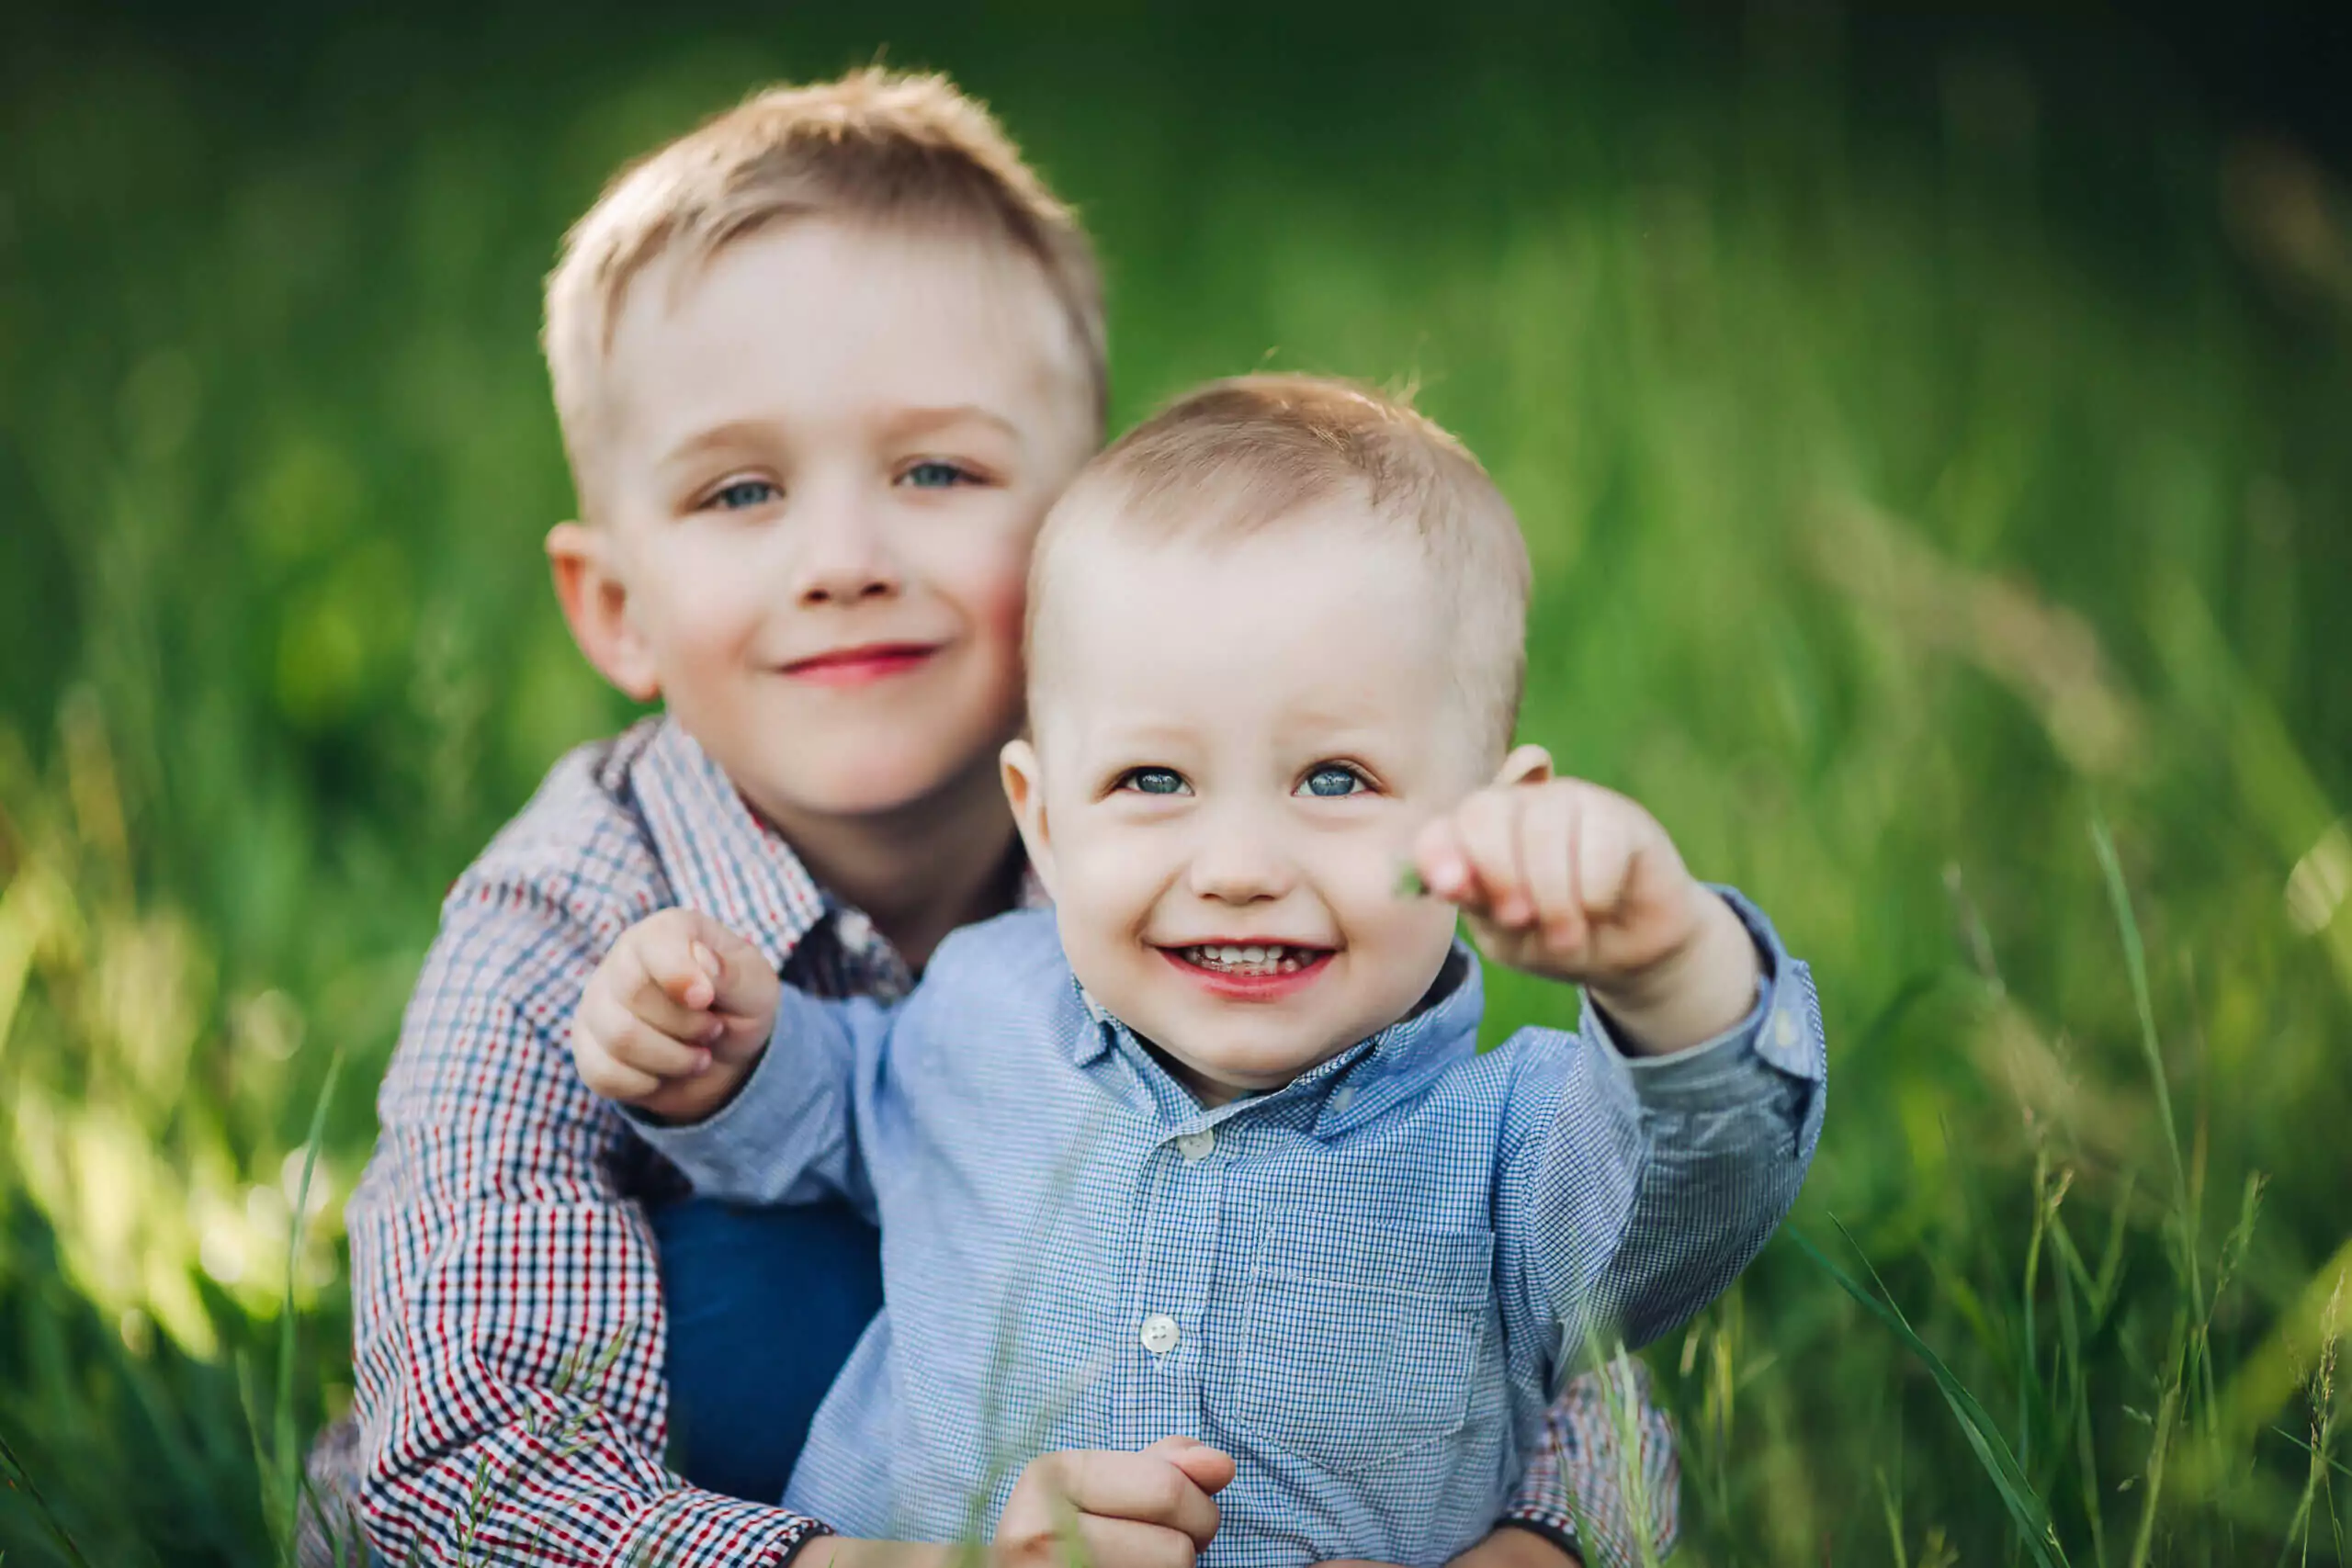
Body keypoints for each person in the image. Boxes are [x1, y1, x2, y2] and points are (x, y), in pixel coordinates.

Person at [321, 72, 1682, 1568]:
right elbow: (469, 1465)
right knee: (746, 1270)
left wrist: (1540, 1542)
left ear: (1087, 532)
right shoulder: (559, 924)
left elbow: (1507, 1267)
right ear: (614, 605)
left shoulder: (1224, 875)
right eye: (739, 491)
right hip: (730, 1515)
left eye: (937, 470)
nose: (844, 556)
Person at [573, 375, 1827, 1564]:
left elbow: (1699, 1183)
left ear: (1493, 817)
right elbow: (832, 1108)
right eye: (1152, 781)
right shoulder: (975, 1006)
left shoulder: (1515, 1142)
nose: (1235, 865)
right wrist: (724, 1051)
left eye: (1335, 779)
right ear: (1046, 821)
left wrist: (1667, 965)